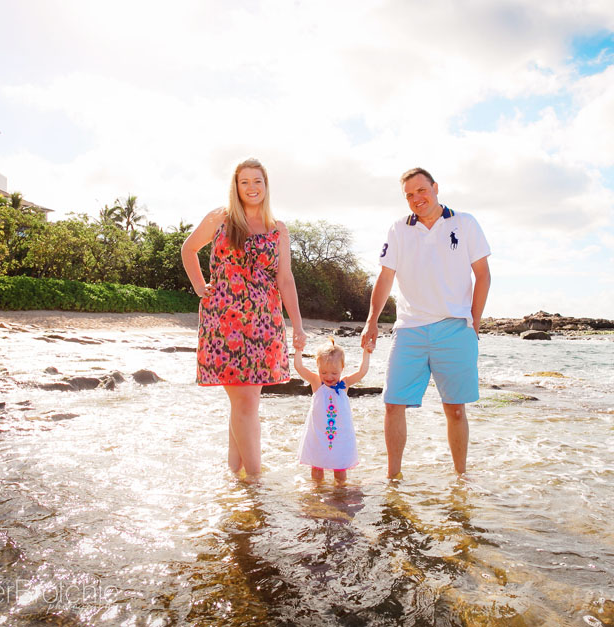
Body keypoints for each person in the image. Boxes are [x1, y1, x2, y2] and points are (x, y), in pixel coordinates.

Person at [361, 167, 491, 478]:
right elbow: (385, 277)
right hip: (410, 329)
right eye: (409, 195)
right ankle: (393, 479)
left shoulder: (465, 222)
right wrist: (371, 320)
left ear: (435, 187)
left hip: (455, 328)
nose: (417, 198)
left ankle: (461, 480)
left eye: (421, 190)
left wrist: (474, 321)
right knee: (393, 404)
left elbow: (483, 274)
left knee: (456, 410)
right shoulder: (398, 229)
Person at [182, 158, 307, 478]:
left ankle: (235, 477)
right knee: (246, 403)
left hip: (265, 322)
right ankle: (256, 482)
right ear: (235, 188)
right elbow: (188, 249)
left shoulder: (278, 229)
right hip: (224, 321)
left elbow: (286, 279)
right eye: (244, 182)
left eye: (257, 182)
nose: (251, 188)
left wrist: (298, 324)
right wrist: (199, 286)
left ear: (266, 187)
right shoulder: (220, 219)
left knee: (244, 403)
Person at [294, 338, 372, 483]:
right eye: (324, 372)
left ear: (342, 368)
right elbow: (299, 367)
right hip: (318, 434)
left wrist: (366, 353)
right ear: (317, 367)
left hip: (340, 436)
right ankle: (317, 492)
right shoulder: (316, 382)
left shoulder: (344, 384)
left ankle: (340, 494)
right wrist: (298, 350)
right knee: (317, 468)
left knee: (340, 470)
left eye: (334, 373)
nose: (329, 377)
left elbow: (362, 371)